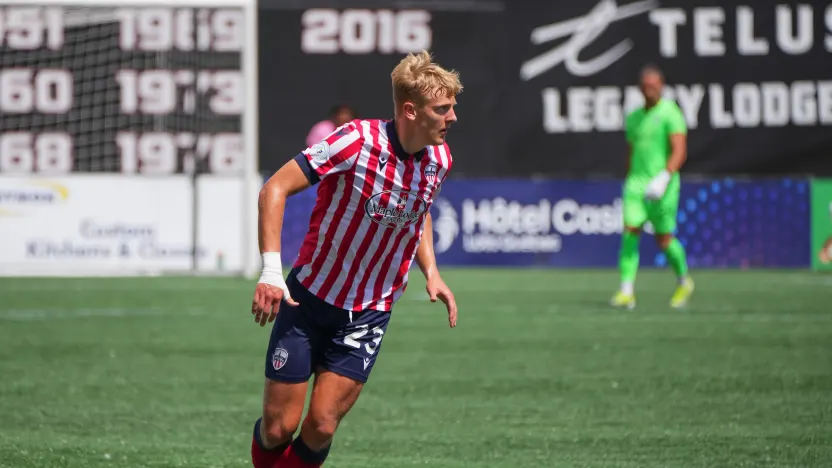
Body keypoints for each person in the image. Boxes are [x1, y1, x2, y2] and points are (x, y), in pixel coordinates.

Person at [249, 50, 462, 468]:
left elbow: (420, 211)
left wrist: (431, 271)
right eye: (442, 108)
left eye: (453, 106)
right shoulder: (357, 141)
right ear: (410, 111)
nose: (452, 117)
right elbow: (273, 189)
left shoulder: (440, 159)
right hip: (307, 300)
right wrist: (271, 273)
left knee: (322, 426)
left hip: (369, 312)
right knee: (278, 429)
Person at [610, 65, 694, 310]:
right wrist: (628, 177)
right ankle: (626, 290)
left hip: (663, 185)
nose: (651, 90)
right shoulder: (634, 117)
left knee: (664, 239)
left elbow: (679, 149)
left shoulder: (671, 113)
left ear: (662, 86)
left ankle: (683, 280)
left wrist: (665, 176)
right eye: (647, 86)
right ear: (640, 88)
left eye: (655, 85)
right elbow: (632, 151)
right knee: (630, 231)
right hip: (636, 184)